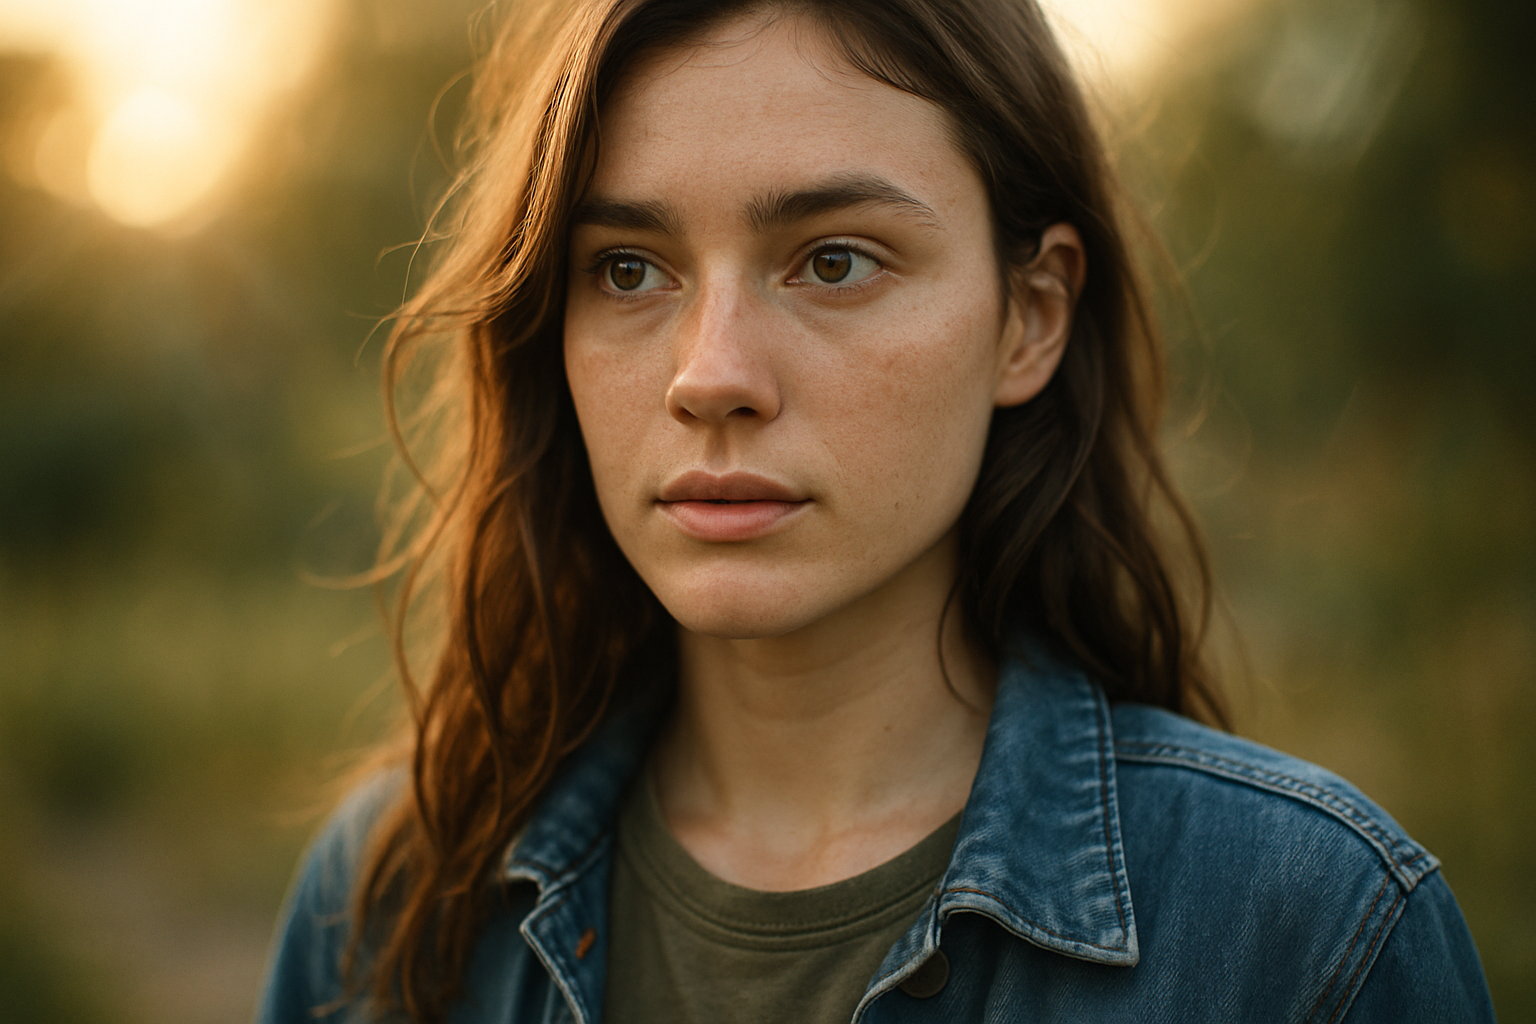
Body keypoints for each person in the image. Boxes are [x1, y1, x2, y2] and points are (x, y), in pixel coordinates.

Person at [256, 1, 1496, 1021]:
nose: (712, 375)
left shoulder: (1308, 935)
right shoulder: (390, 901)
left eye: (834, 259)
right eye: (627, 270)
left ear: (1031, 317)